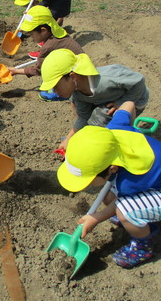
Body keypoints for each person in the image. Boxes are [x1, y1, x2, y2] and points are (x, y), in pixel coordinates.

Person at [57, 101, 160, 268]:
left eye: (89, 179)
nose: (87, 184)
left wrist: (96, 218)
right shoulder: (114, 130)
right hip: (148, 178)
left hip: (155, 187)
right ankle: (138, 217)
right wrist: (131, 127)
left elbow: (119, 203)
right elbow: (128, 104)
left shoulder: (130, 180)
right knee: (108, 193)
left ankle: (144, 247)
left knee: (125, 211)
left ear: (112, 168)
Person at [40, 49, 150, 150]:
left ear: (73, 77)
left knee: (102, 116)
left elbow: (138, 81)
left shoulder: (107, 79)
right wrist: (69, 138)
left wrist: (121, 103)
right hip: (107, 100)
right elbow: (84, 116)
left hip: (135, 98)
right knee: (86, 114)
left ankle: (123, 143)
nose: (54, 91)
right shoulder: (77, 92)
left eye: (56, 86)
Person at [8, 6, 83, 102]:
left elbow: (38, 70)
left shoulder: (48, 47)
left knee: (45, 88)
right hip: (78, 68)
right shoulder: (58, 32)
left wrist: (15, 71)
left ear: (43, 30)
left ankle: (65, 92)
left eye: (31, 34)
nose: (31, 37)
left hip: (76, 78)